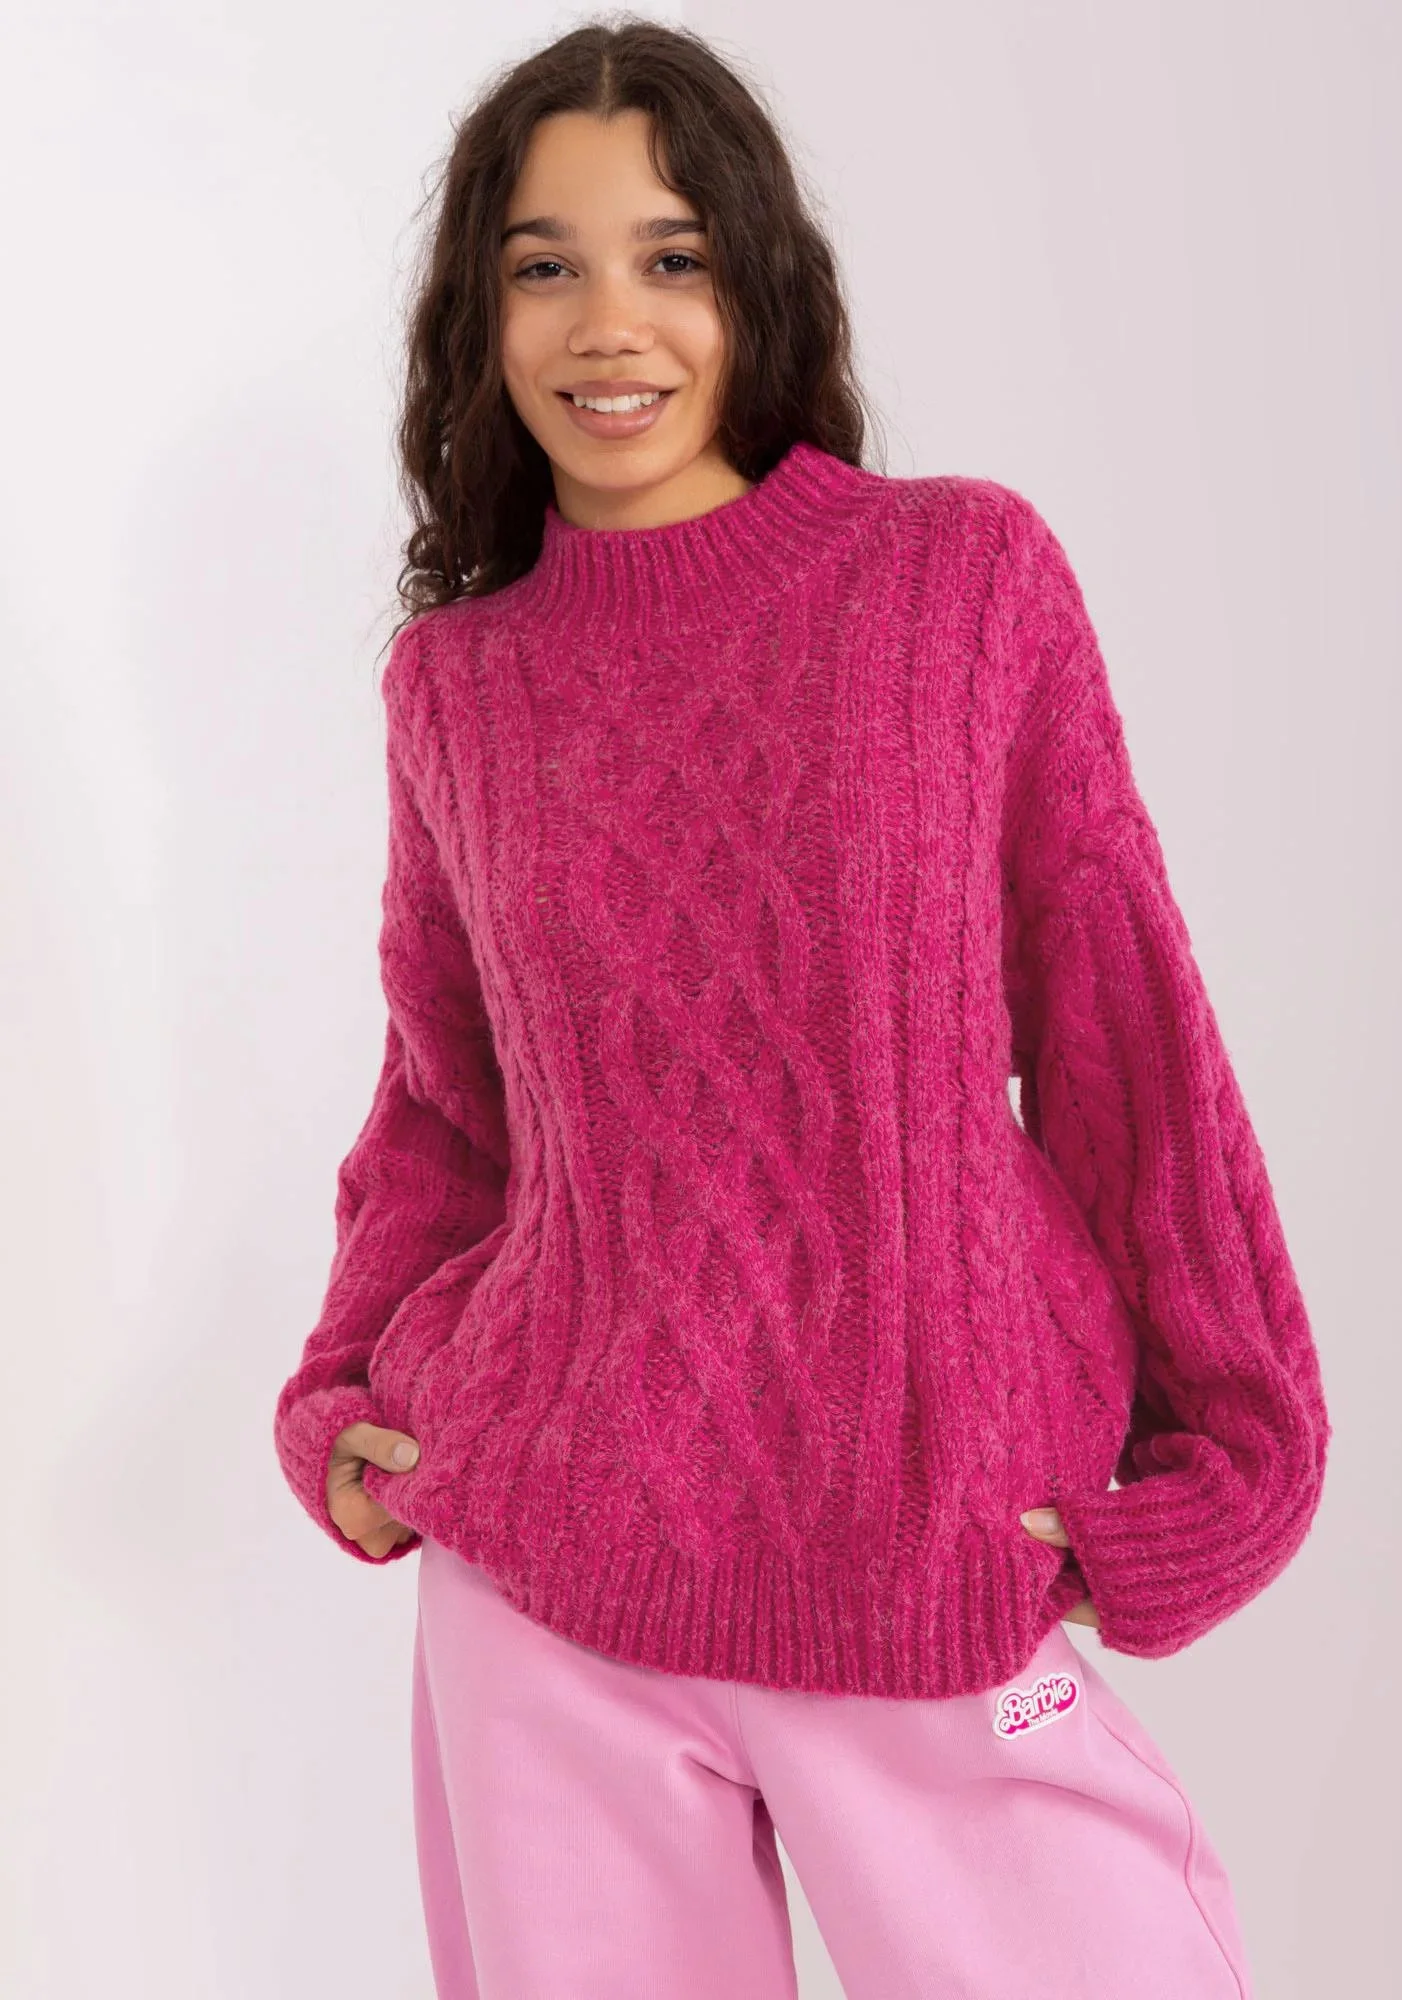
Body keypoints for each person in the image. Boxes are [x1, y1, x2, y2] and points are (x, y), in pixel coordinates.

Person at [272, 17, 1331, 1997]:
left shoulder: (956, 579)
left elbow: (1120, 1023)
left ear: (754, 278)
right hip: (550, 1564)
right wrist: (342, 1386)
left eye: (670, 257)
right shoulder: (458, 688)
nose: (610, 323)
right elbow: (447, 1101)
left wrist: (1238, 1457)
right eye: (543, 264)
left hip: (922, 1543)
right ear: (479, 317)